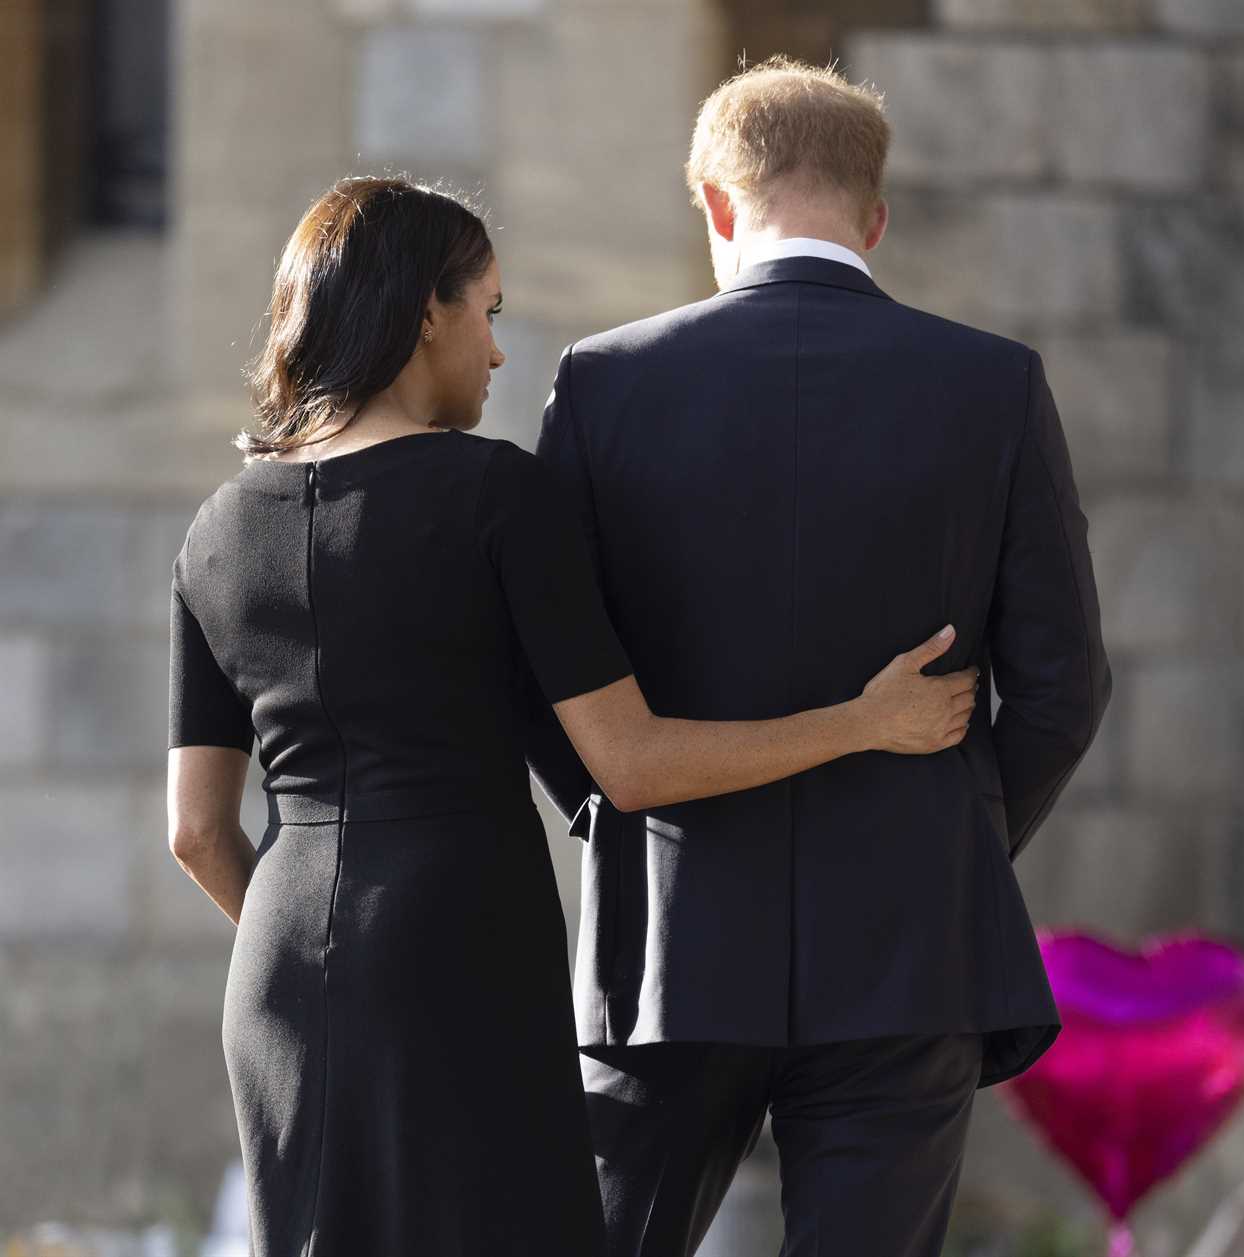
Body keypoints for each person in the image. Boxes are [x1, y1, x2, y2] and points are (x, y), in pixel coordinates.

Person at [165, 174, 979, 1257]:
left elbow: (197, 832)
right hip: (456, 943)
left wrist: (321, 963)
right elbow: (628, 763)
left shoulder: (215, 529)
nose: (495, 353)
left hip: (272, 971)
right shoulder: (493, 494)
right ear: (424, 314)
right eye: (486, 311)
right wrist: (863, 721)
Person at [526, 57, 1113, 1257]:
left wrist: (623, 819)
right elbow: (1061, 686)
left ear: (712, 203)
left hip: (671, 944)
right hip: (906, 948)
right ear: (876, 217)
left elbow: (543, 664)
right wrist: (945, 832)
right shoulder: (993, 386)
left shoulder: (602, 382)